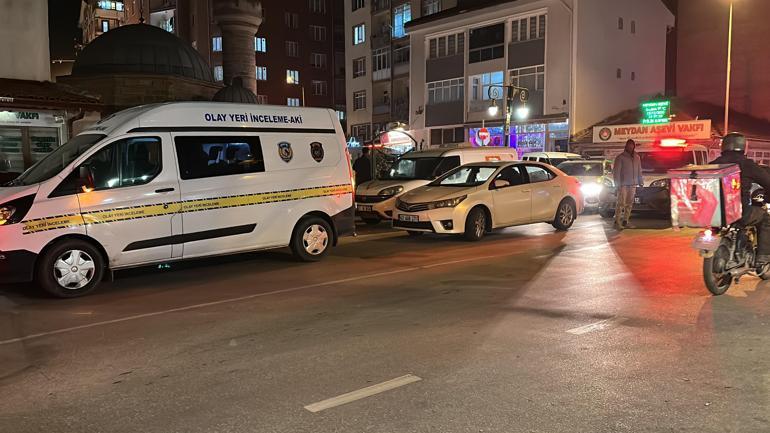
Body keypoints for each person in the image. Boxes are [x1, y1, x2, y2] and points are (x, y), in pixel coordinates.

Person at [710, 132, 770, 263]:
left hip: (713, 213)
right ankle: (764, 256)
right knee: (765, 217)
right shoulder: (747, 164)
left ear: (723, 147)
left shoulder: (713, 164)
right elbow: (767, 181)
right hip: (739, 212)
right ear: (744, 147)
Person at [613, 139, 643, 230]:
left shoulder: (637, 157)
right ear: (626, 146)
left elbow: (639, 170)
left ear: (634, 146)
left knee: (629, 203)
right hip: (623, 185)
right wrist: (617, 184)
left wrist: (640, 181)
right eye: (629, 145)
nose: (630, 147)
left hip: (633, 184)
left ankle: (626, 220)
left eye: (632, 145)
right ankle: (617, 221)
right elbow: (616, 172)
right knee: (621, 203)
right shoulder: (620, 157)